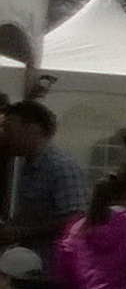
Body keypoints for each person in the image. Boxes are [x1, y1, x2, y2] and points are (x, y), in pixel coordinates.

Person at [3, 97, 89, 245]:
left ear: (32, 129)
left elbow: (75, 219)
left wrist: (21, 232)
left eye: (9, 130)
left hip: (52, 260)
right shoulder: (27, 166)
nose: (5, 136)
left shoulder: (61, 167)